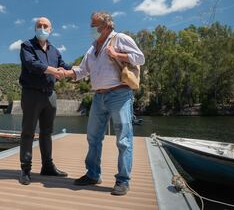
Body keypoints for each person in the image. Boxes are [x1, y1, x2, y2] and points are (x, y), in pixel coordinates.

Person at [62, 11, 145, 195]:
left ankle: (123, 181)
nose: (91, 28)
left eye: (95, 25)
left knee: (124, 140)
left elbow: (140, 58)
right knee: (93, 138)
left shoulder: (120, 38)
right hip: (98, 97)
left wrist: (117, 54)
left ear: (107, 26)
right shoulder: (92, 49)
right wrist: (65, 72)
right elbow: (82, 71)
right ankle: (93, 175)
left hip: (120, 94)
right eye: (91, 25)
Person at [18, 16, 71, 185]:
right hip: (31, 94)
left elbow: (65, 67)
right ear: (35, 28)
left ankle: (47, 166)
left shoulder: (55, 51)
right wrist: (53, 71)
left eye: (45, 26)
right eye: (39, 25)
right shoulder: (27, 46)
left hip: (50, 95)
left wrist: (80, 70)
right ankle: (26, 170)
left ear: (51, 29)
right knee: (28, 132)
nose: (42, 28)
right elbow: (31, 64)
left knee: (47, 132)